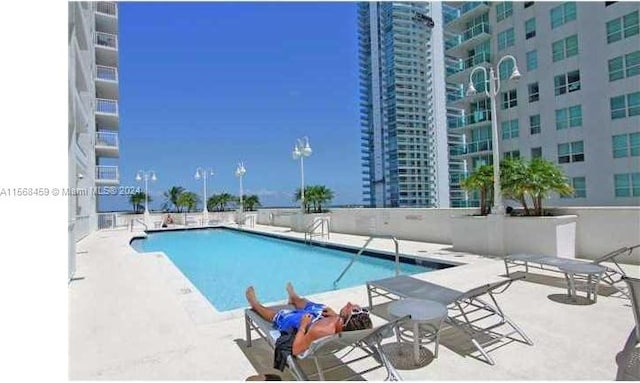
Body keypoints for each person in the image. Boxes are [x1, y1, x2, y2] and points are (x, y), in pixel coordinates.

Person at [245, 283, 373, 356]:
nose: (349, 303)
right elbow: (340, 325)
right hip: (321, 318)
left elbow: (296, 350)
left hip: (306, 324)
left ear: (344, 321)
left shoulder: (319, 331)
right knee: (314, 305)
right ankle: (293, 297)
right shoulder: (345, 325)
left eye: (349, 307)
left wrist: (302, 325)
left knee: (281, 315)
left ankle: (255, 304)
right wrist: (335, 315)